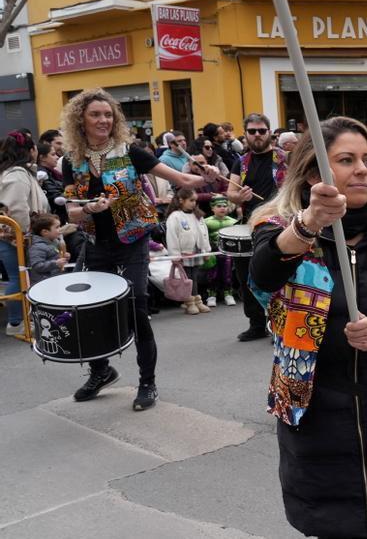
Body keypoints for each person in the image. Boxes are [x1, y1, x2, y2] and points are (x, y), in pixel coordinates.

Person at [249, 117, 367, 539]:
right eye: (346, 160)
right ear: (315, 171)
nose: (362, 170)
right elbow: (261, 278)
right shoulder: (280, 229)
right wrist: (309, 224)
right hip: (319, 428)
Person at [61, 89, 219, 410]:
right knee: (92, 310)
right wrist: (92, 208)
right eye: (96, 115)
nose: (103, 120)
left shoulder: (130, 152)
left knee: (136, 306)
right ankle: (101, 371)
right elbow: (72, 213)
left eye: (108, 114)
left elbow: (177, 178)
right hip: (96, 244)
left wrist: (209, 177)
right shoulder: (72, 161)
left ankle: (147, 382)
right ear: (81, 119)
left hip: (132, 241)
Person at [229, 114, 288, 342]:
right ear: (245, 134)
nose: (257, 135)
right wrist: (239, 196)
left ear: (269, 133)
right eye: (252, 131)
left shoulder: (285, 159)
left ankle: (279, 323)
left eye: (261, 131)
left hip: (278, 224)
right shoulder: (240, 162)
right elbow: (231, 194)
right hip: (250, 224)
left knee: (278, 275)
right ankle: (256, 323)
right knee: (247, 277)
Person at [1, 130, 51, 335]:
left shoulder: (15, 172)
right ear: (30, 150)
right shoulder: (17, 174)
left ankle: (21, 320)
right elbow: (17, 207)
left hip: (13, 235)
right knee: (17, 277)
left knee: (20, 277)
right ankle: (16, 323)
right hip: (14, 237)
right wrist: (23, 233)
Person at [165, 188, 211, 315]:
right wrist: (175, 255)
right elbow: (172, 237)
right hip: (183, 253)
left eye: (195, 201)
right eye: (191, 200)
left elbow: (204, 233)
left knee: (194, 277)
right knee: (187, 278)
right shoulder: (175, 217)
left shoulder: (197, 215)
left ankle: (197, 300)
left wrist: (206, 250)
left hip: (196, 251)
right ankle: (189, 302)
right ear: (181, 200)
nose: (194, 203)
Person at [201, 195, 238, 308]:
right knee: (213, 274)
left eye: (224, 206)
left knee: (227, 273)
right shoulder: (206, 222)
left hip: (227, 252)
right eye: (219, 206)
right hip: (213, 251)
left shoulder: (234, 222)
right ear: (212, 208)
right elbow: (203, 237)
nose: (222, 208)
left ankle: (228, 294)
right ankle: (212, 295)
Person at [26, 213, 67, 286]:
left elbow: (54, 256)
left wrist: (64, 257)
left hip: (53, 280)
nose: (60, 229)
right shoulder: (37, 247)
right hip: (42, 283)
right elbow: (37, 266)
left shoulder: (53, 242)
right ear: (45, 232)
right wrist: (56, 263)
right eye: (57, 227)